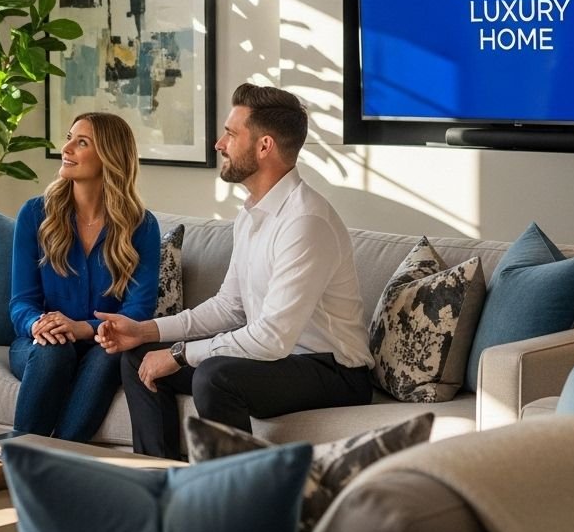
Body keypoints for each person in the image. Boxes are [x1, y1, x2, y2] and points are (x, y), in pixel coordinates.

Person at [95, 83, 373, 459]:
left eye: (230, 133)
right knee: (137, 357)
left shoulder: (305, 220)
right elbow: (230, 307)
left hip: (334, 371)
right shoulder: (251, 214)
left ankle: (236, 497)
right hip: (280, 360)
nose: (219, 144)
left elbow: (272, 338)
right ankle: (160, 479)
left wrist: (179, 354)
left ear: (264, 146)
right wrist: (145, 331)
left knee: (215, 378)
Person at [9, 112, 161, 441]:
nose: (66, 148)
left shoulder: (141, 226)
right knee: (55, 351)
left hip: (101, 345)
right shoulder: (36, 214)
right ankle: (16, 454)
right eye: (69, 138)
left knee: (112, 355)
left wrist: (83, 329)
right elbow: (22, 301)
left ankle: (60, 458)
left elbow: (138, 311)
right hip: (39, 344)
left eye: (81, 143)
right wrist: (38, 325)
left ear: (109, 156)